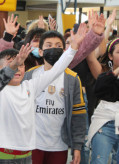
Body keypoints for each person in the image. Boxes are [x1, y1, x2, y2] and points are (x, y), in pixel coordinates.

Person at [0, 5, 84, 164]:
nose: (17, 68)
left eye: (20, 64)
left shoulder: (30, 86)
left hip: (27, 156)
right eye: (12, 64)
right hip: (3, 157)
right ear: (0, 70)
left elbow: (56, 70)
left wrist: (73, 49)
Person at [23, 29, 87, 164]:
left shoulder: (72, 78)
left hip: (59, 144)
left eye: (58, 46)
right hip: (33, 142)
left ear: (65, 51)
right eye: (49, 45)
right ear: (40, 51)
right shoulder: (29, 75)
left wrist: (77, 146)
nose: (54, 49)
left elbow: (78, 114)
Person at [86, 38, 119, 164]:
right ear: (110, 56)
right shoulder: (105, 75)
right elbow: (99, 89)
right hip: (104, 124)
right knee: (99, 161)